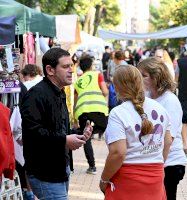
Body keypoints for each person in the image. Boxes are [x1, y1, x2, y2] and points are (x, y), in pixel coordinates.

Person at [21, 48, 93, 200]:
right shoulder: (36, 95)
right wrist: (65, 140)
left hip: (60, 168)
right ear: (50, 70)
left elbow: (58, 128)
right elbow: (34, 133)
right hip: (45, 172)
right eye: (65, 67)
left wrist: (79, 134)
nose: (71, 71)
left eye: (71, 66)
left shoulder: (58, 92)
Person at [99, 65, 172, 200]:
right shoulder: (160, 108)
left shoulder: (118, 113)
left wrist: (104, 180)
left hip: (127, 179)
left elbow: (118, 153)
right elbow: (167, 141)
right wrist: (157, 164)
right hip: (155, 177)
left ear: (117, 86)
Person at [137, 57, 187, 200]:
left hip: (169, 163)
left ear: (156, 77)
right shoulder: (146, 96)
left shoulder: (170, 100)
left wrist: (158, 165)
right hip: (154, 161)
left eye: (144, 75)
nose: (140, 79)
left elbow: (168, 139)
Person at [74, 55, 109, 174]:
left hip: (82, 110)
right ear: (91, 65)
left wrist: (74, 118)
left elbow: (75, 100)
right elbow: (105, 91)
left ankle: (92, 166)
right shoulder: (97, 74)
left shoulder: (78, 81)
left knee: (86, 138)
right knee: (105, 128)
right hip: (98, 108)